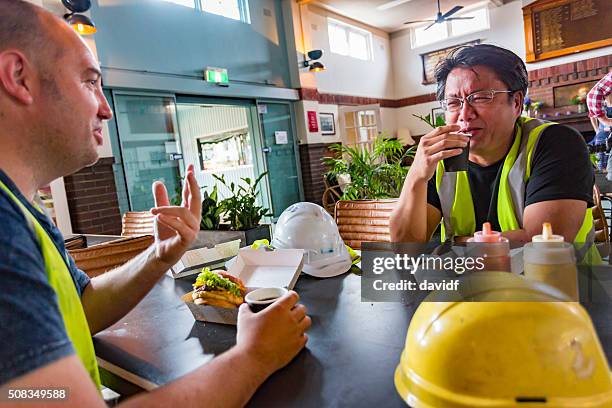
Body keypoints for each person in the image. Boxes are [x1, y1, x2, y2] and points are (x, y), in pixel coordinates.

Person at [0, 1, 310, 406]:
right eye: (90, 82)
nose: (106, 109)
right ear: (19, 77)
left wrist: (161, 255)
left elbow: (81, 307)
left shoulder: (19, 208)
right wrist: (253, 357)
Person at [390, 44, 594, 245]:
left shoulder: (554, 142)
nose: (464, 115)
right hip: (468, 278)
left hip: (560, 277)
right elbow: (405, 247)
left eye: (480, 98)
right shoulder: (442, 156)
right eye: (453, 103)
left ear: (516, 103)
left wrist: (457, 243)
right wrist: (417, 175)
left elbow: (544, 241)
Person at [587, 73, 612, 180]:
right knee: (599, 156)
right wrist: (597, 130)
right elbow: (592, 116)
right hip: (602, 134)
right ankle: (602, 176)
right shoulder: (601, 103)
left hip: (609, 134)